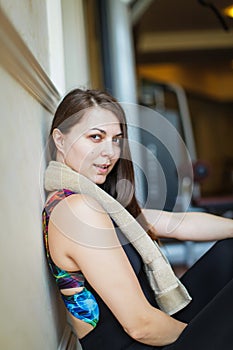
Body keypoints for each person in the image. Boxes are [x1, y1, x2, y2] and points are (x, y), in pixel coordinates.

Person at [42, 88, 233, 350]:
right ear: (60, 140)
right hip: (139, 343)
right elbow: (141, 326)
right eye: (96, 137)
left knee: (228, 252)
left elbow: (175, 224)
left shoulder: (95, 200)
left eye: (116, 139)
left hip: (154, 326)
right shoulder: (78, 210)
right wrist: (209, 334)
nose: (110, 152)